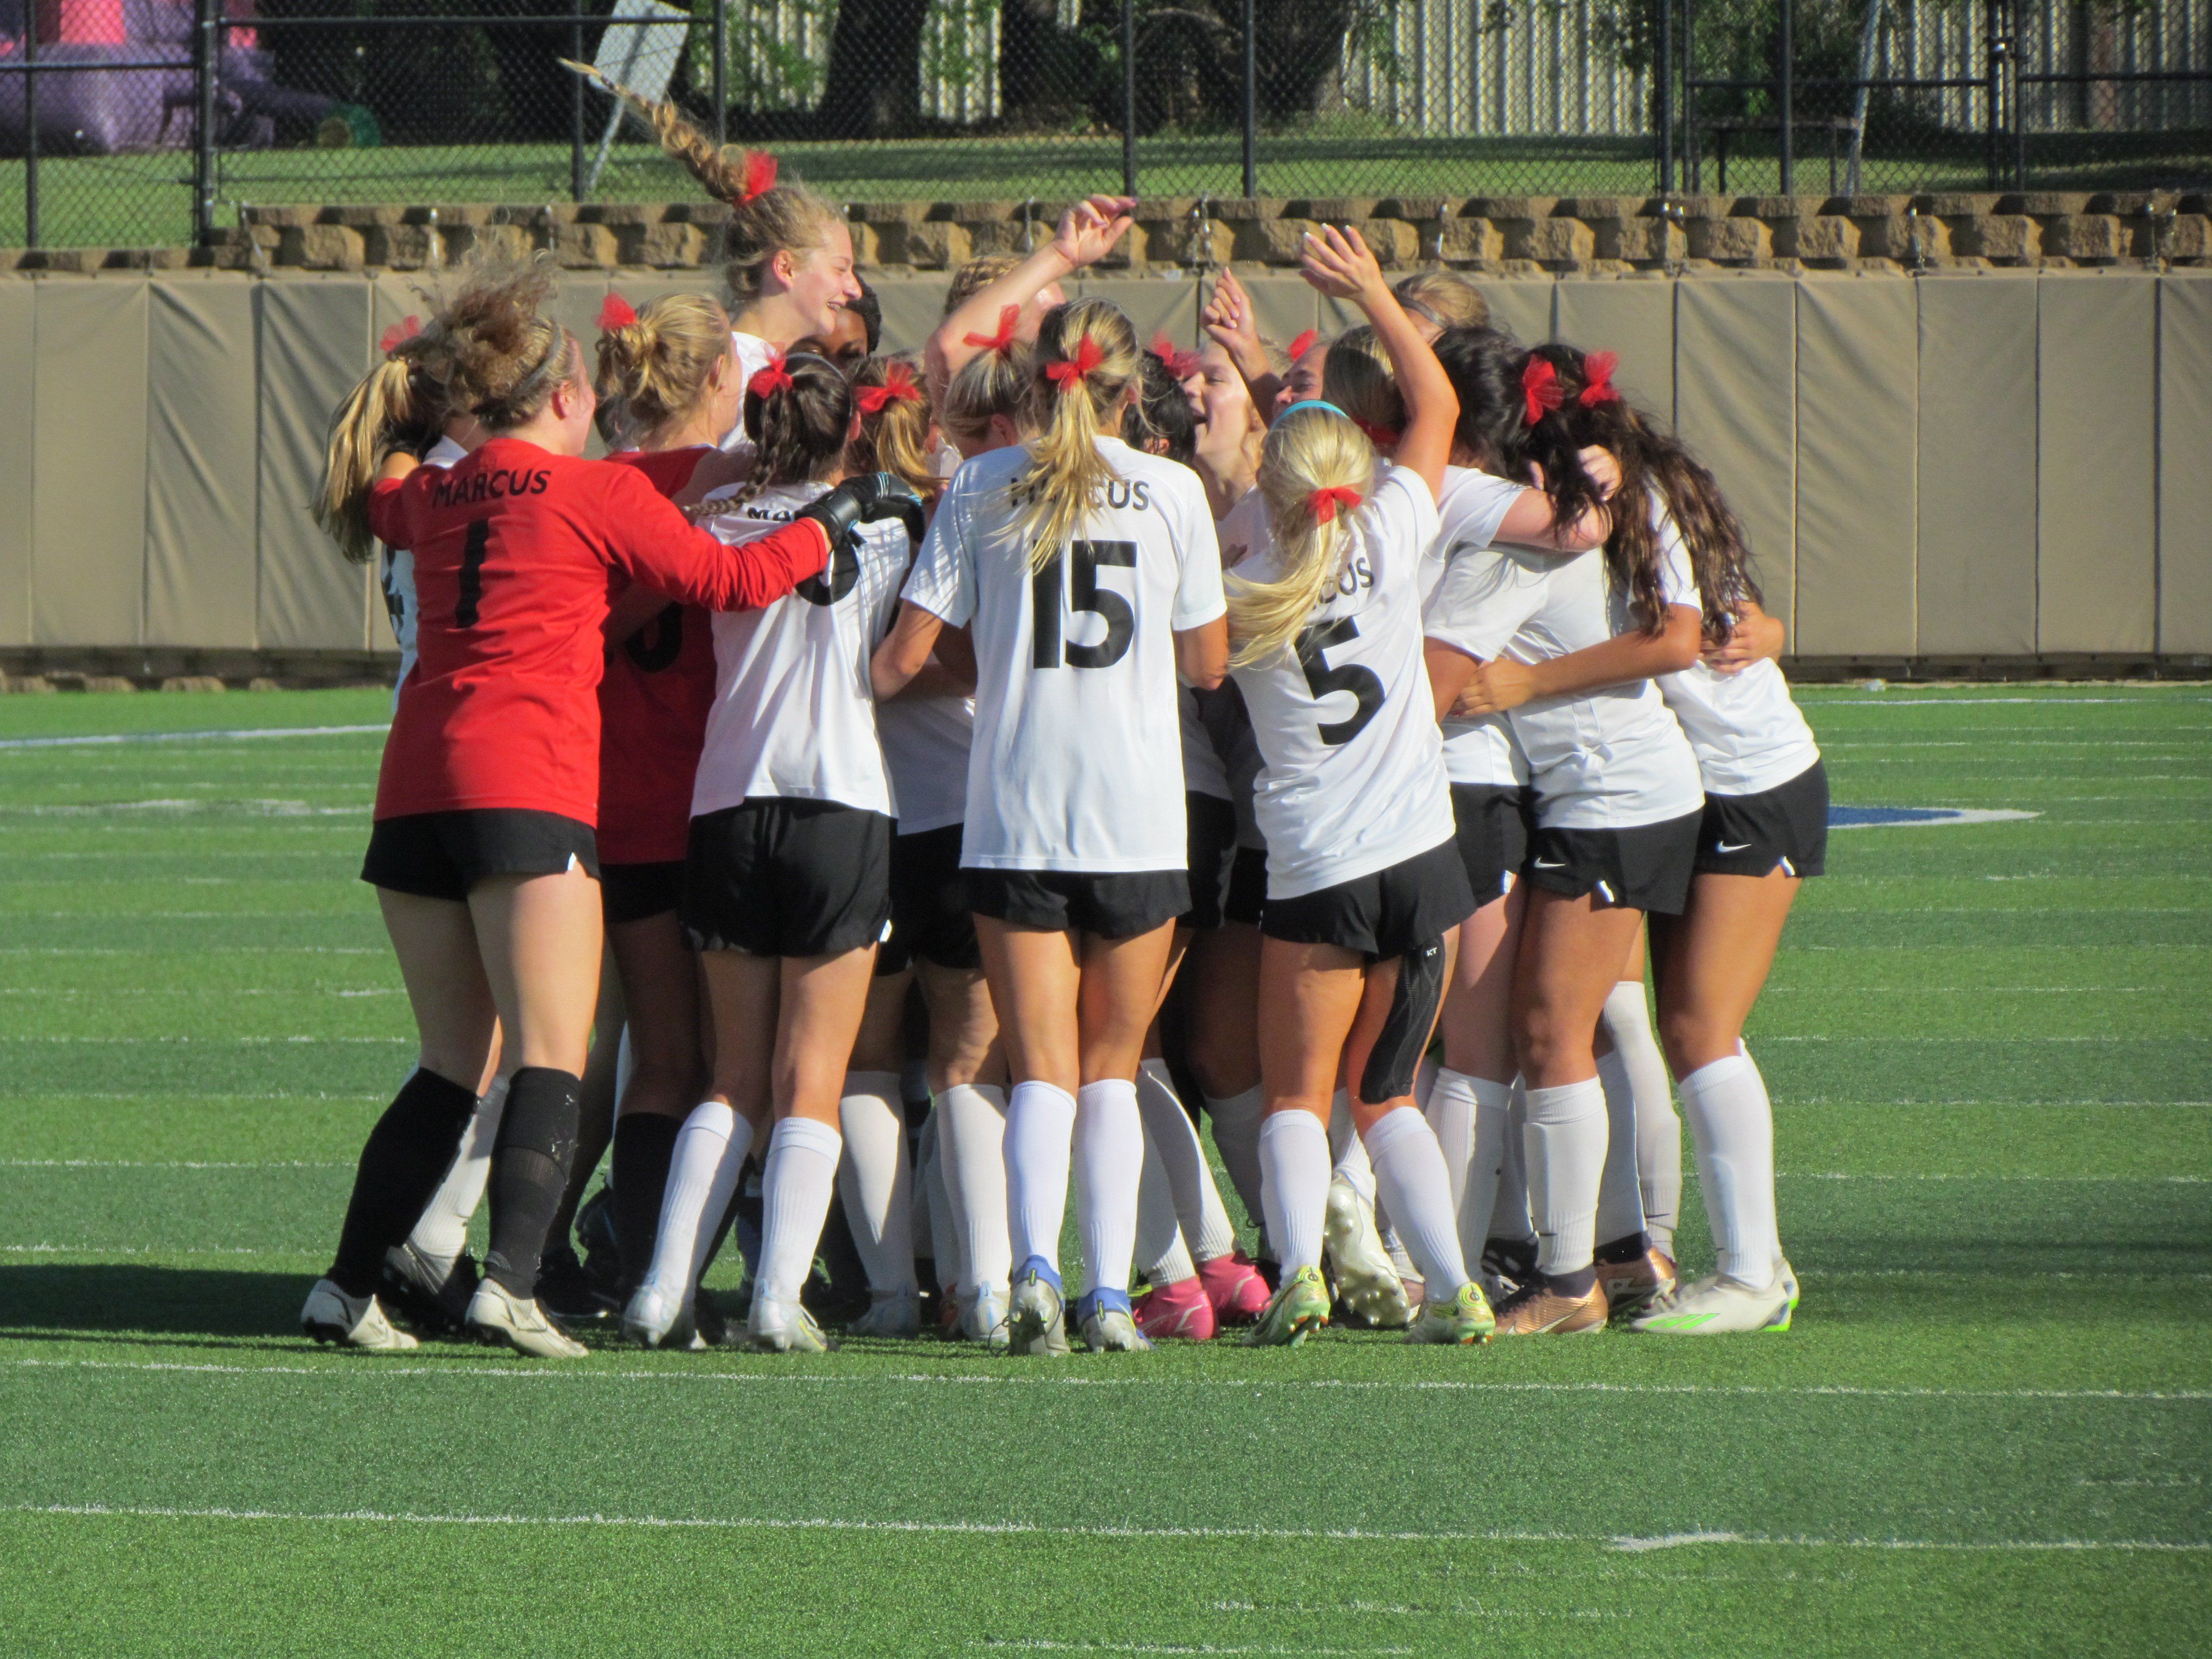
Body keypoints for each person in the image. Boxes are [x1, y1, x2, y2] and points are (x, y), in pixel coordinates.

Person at [300, 256, 858, 1357]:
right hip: (526, 785)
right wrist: (830, 523)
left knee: (450, 1062)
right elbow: (733, 581)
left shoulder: (435, 493)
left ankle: (348, 1283)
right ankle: (511, 1283)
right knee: (553, 1052)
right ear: (560, 397)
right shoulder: (594, 489)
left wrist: (410, 431)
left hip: (413, 792)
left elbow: (383, 493)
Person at [874, 297, 1229, 1355]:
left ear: (1034, 384)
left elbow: (902, 657)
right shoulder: (1173, 491)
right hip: (1136, 819)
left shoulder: (981, 483)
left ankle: (1032, 1272)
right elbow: (1207, 666)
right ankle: (1110, 1298)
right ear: (1132, 391)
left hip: (1016, 813)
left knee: (1039, 1069)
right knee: (1112, 1068)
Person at [1224, 225, 1492, 1349]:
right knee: (1385, 1097)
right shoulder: (1391, 525)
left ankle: (1298, 1274)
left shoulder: (1240, 585)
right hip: (1423, 865)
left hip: (1321, 872)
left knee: (1298, 1096)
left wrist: (1238, 401)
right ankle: (1454, 1285)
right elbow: (1433, 410)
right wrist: (1377, 291)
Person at [620, 352, 920, 1353]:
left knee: (730, 1076)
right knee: (812, 1079)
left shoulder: (716, 518)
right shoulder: (884, 520)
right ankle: (776, 1298)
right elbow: (902, 659)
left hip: (727, 806)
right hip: (840, 805)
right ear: (849, 433)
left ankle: (660, 1293)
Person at [1424, 338, 1702, 1338]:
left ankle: (1567, 1276)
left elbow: (1423, 688)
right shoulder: (1587, 507)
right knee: (1571, 1033)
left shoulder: (1521, 546)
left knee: (1550, 1036)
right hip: (1612, 792)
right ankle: (1600, 1259)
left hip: (1612, 798)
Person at [1418, 326, 1617, 1308]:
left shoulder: (1483, 517)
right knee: (1520, 1041)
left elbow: (1429, 685)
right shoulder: (1504, 509)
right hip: (1515, 788)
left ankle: (1460, 1269)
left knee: (1489, 1047)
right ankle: (1532, 1255)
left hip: (1489, 788)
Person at [585, 290, 749, 1312]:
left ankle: (630, 1259)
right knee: (747, 1067)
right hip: (726, 799)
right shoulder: (747, 478)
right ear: (719, 378)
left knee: (663, 1058)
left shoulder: (598, 482)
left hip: (627, 801)